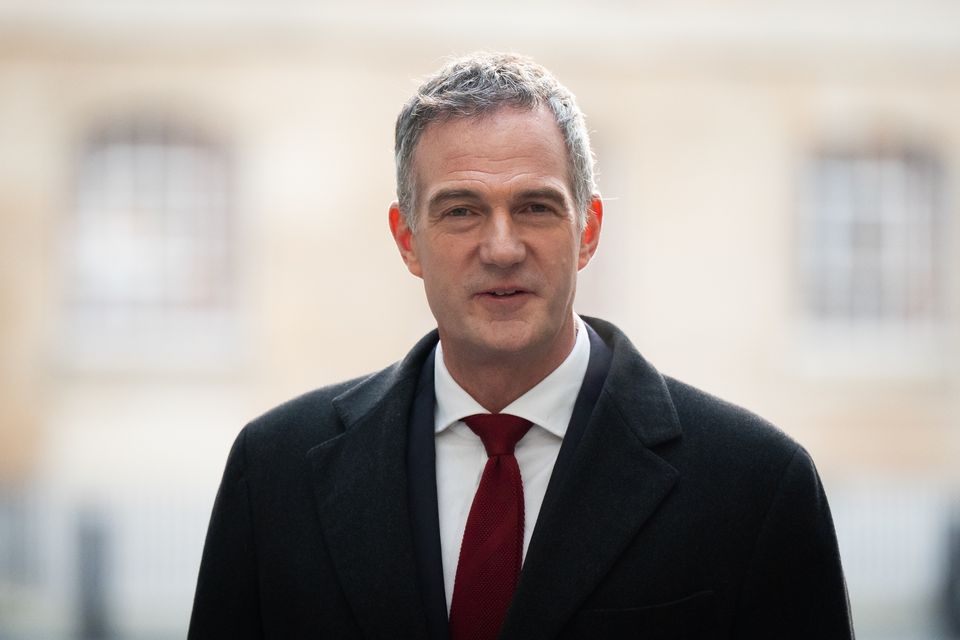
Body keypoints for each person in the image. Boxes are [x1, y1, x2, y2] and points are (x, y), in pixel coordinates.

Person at [189, 52, 853, 639]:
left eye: (536, 207)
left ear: (588, 230)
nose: (502, 248)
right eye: (461, 211)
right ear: (406, 239)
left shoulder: (756, 486)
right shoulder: (275, 470)